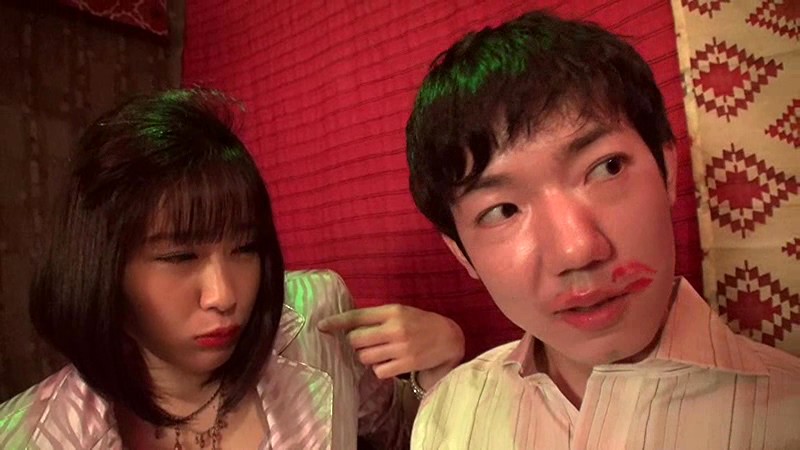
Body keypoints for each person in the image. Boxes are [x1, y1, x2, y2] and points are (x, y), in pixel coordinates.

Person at [405, 10, 800, 449]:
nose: (576, 250)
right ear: (461, 254)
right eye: (502, 210)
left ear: (667, 170)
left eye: (607, 168)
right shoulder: (446, 415)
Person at [0, 89, 464, 449]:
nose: (224, 296)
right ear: (103, 267)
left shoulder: (316, 324)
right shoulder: (26, 434)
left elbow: (399, 434)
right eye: (180, 257)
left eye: (245, 248)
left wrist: (439, 374)